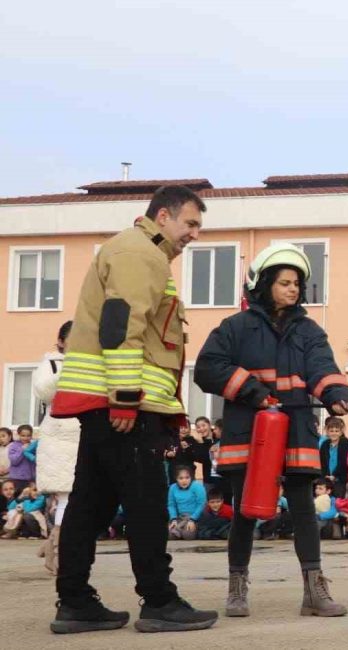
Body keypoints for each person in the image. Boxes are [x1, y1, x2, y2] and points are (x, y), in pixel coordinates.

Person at [48, 186, 216, 634]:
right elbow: (122, 324)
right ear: (163, 216)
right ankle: (159, 601)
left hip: (107, 404)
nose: (194, 235)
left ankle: (76, 602)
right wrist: (125, 396)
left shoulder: (135, 251)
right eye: (190, 224)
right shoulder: (140, 253)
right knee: (145, 504)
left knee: (90, 504)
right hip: (124, 405)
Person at [195, 241, 348, 620]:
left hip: (296, 430)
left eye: (297, 282)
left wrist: (335, 393)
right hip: (250, 430)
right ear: (264, 283)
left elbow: (321, 366)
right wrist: (253, 391)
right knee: (247, 512)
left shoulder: (309, 330)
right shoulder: (235, 328)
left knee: (302, 512)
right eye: (285, 282)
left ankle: (314, 591)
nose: (294, 288)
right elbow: (207, 368)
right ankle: (236, 590)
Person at [32, 320, 80, 574]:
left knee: (80, 498)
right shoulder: (50, 364)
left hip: (83, 437)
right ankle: (58, 551)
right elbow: (44, 391)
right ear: (61, 341)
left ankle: (52, 544)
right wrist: (69, 368)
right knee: (66, 496)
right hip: (60, 439)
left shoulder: (90, 363)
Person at [167, 467, 206, 541]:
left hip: (194, 518)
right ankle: (179, 529)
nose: (184, 481)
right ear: (176, 479)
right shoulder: (173, 488)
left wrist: (192, 520)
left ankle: (180, 531)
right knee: (169, 536)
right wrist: (173, 519)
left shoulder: (197, 486)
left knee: (188, 536)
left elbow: (201, 504)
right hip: (179, 518)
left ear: (191, 477)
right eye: (181, 478)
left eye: (187, 478)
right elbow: (171, 505)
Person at [319, 417, 348, 498]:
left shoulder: (344, 442)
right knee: (326, 500)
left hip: (339, 478)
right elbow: (322, 462)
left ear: (340, 432)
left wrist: (335, 476)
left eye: (337, 431)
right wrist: (326, 475)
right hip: (327, 478)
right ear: (327, 432)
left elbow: (343, 462)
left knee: (338, 500)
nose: (334, 433)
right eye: (331, 431)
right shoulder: (325, 444)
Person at [8, 425, 36, 494]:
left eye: (28, 435)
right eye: (23, 435)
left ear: (31, 435)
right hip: (17, 479)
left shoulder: (33, 446)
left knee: (28, 500)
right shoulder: (13, 446)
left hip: (31, 479)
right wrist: (22, 450)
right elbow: (14, 461)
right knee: (17, 499)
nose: (26, 438)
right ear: (18, 435)